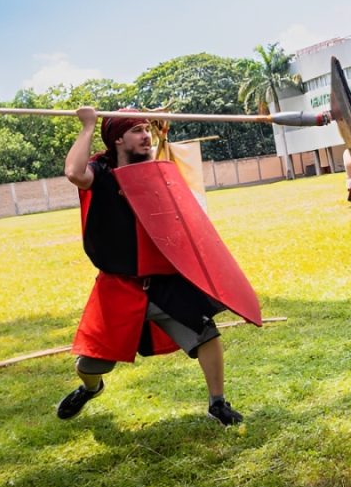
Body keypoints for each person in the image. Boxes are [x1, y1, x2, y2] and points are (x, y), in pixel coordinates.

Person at [58, 107, 245, 426]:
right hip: (119, 287)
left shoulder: (156, 170)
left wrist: (157, 129)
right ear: (117, 139)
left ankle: (218, 403)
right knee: (89, 365)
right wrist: (88, 125)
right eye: (137, 131)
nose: (146, 136)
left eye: (147, 129)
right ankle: (90, 389)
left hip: (164, 282)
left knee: (206, 335)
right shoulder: (101, 174)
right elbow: (75, 173)